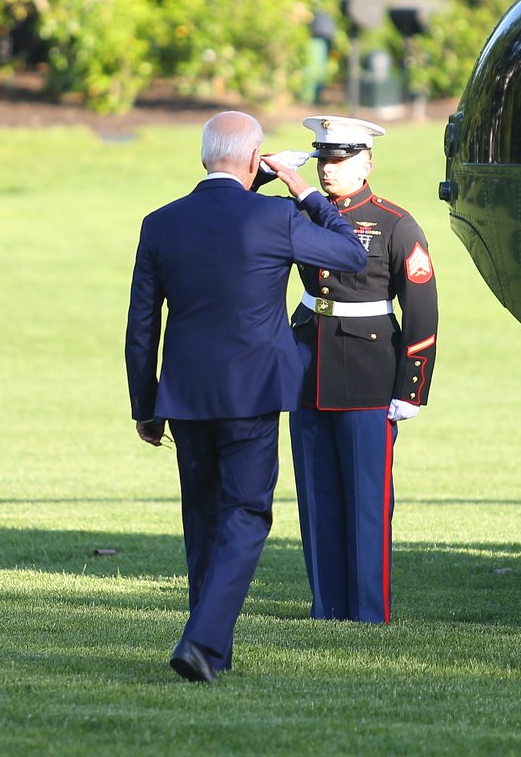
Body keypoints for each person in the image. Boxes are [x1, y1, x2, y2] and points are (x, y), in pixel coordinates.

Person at [125, 111, 367, 683]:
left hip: (183, 396)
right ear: (256, 158)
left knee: (203, 519)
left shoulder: (160, 223)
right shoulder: (277, 215)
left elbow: (141, 325)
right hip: (253, 394)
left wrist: (144, 405)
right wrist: (301, 187)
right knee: (247, 513)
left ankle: (210, 648)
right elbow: (351, 254)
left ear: (203, 155)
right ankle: (203, 643)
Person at [289, 115, 438, 624]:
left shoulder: (396, 224)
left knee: (367, 502)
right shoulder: (302, 213)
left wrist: (411, 389)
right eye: (323, 159)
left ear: (366, 163)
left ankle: (369, 611)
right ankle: (325, 607)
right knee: (316, 498)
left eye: (341, 159)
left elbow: (421, 310)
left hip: (370, 375)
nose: (329, 170)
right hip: (309, 367)